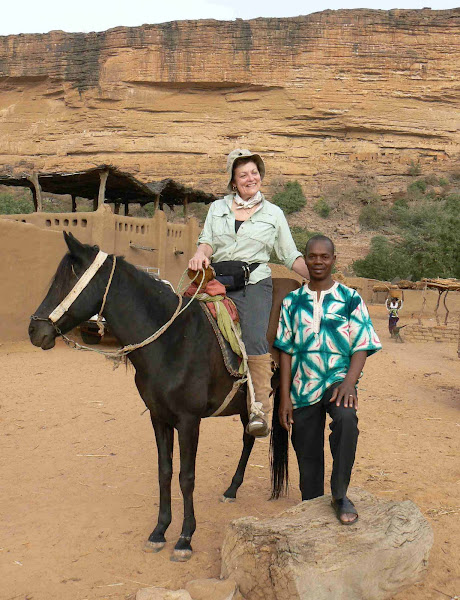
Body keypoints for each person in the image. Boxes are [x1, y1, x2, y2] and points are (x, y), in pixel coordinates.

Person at [188, 149, 309, 437]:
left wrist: (319, 275)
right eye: (243, 174)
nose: (250, 178)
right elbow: (206, 242)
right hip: (217, 278)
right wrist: (199, 254)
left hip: (254, 282)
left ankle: (258, 408)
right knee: (183, 316)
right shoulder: (217, 209)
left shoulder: (273, 214)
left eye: (254, 172)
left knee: (255, 336)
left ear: (260, 176)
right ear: (233, 181)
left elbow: (289, 255)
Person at [274, 235, 381, 524]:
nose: (318, 261)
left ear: (333, 259)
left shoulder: (349, 298)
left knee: (347, 420)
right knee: (307, 453)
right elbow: (285, 350)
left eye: (324, 256)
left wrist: (349, 382)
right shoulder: (292, 302)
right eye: (312, 256)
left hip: (337, 380)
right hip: (302, 384)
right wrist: (285, 397)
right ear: (305, 260)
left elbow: (361, 343)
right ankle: (312, 502)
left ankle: (339, 494)